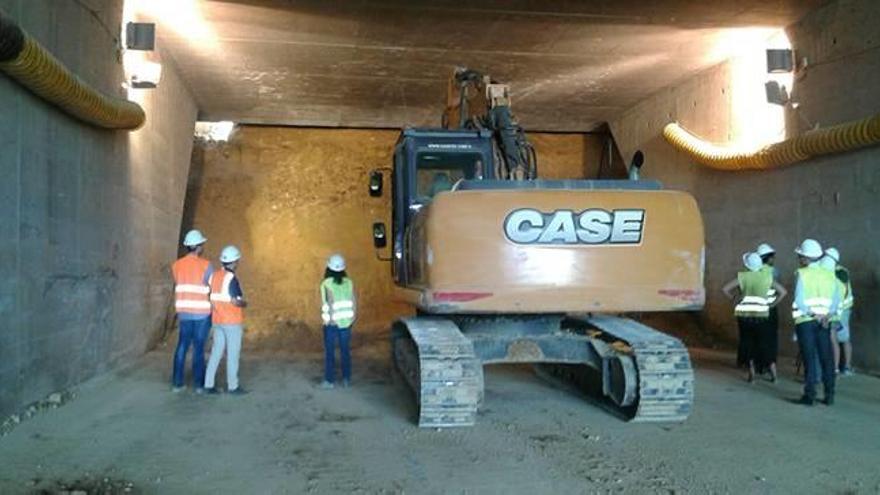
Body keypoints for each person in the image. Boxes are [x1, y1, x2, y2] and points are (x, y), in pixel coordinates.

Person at [722, 252, 787, 382]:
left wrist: (735, 299)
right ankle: (773, 374)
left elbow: (725, 289)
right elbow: (783, 292)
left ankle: (751, 372)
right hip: (762, 315)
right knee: (765, 344)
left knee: (748, 344)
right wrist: (771, 304)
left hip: (745, 315)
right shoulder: (766, 277)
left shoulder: (743, 277)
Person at [791, 239, 840, 406]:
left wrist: (814, 314)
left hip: (806, 321)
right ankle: (829, 394)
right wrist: (826, 316)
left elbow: (799, 301)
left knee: (809, 359)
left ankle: (810, 395)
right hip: (825, 322)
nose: (799, 259)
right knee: (827, 358)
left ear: (805, 258)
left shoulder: (802, 274)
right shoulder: (829, 274)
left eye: (800, 256)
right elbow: (835, 300)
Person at [170, 229, 214, 393]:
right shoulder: (206, 265)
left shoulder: (177, 265)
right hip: (202, 313)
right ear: (199, 247)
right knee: (198, 348)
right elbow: (211, 286)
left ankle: (177, 383)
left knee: (182, 346)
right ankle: (198, 385)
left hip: (184, 313)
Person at [205, 245, 248, 395]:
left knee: (216, 352)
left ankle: (208, 384)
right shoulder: (231, 278)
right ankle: (233, 386)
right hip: (232, 322)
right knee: (232, 354)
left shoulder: (213, 276)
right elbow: (236, 301)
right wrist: (245, 304)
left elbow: (209, 296)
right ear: (234, 261)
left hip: (217, 320)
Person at [320, 254, 356, 389]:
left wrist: (330, 321)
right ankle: (346, 379)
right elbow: (353, 301)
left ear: (328, 268)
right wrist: (352, 317)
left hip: (332, 323)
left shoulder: (326, 283)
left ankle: (330, 381)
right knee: (345, 350)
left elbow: (330, 302)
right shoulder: (349, 282)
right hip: (346, 323)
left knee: (330, 352)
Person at [825, 247, 854, 375]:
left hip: (842, 310)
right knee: (835, 338)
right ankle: (838, 367)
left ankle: (845, 367)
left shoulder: (841, 272)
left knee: (843, 339)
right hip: (838, 309)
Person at [756, 243, 781, 377]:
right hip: (770, 310)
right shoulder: (773, 272)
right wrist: (773, 304)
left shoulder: (753, 270)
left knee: (758, 338)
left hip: (757, 309)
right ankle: (770, 365)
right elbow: (780, 291)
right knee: (771, 339)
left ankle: (758, 365)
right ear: (768, 258)